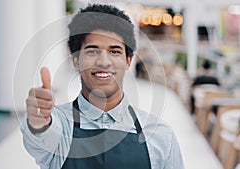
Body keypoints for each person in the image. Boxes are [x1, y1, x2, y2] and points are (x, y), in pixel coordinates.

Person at [21, 4, 184, 169]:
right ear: (76, 60)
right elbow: (40, 138)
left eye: (114, 51)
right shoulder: (60, 126)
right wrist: (38, 123)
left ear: (128, 60)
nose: (104, 62)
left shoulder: (160, 135)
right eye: (92, 51)